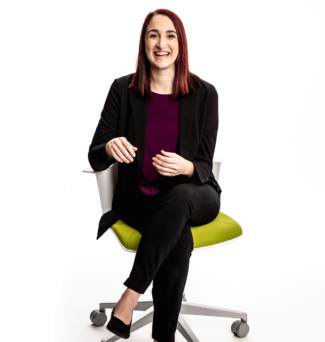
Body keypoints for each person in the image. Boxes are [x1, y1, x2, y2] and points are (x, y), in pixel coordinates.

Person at [88, 8, 222, 342]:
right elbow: (95, 154)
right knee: (180, 238)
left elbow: (204, 164)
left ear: (181, 44)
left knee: (179, 197)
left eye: (170, 35)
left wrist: (186, 167)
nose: (161, 43)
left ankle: (130, 296)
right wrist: (109, 146)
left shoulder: (205, 94)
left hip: (197, 194)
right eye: (153, 35)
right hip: (142, 201)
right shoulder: (123, 90)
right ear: (144, 43)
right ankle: (164, 338)